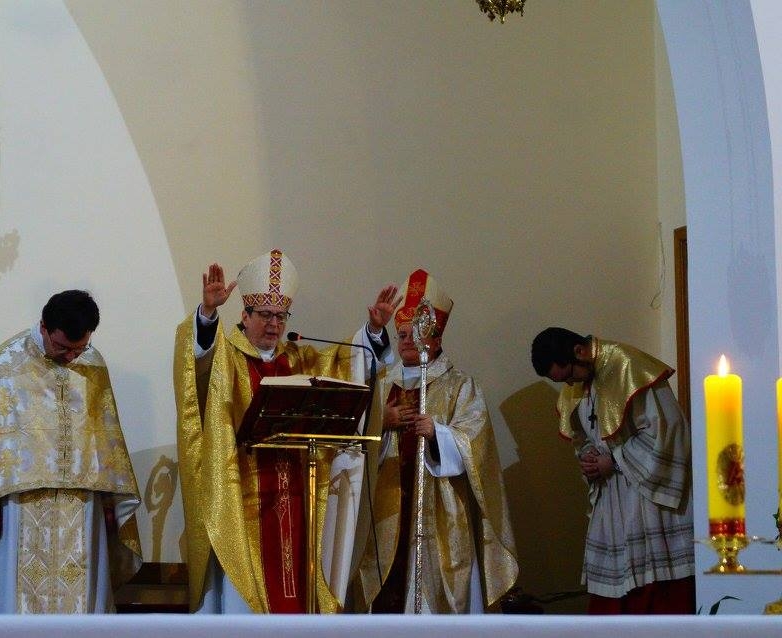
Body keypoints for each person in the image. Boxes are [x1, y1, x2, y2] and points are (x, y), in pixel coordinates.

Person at [174, 248, 400, 613]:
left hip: (297, 497)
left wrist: (373, 331)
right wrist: (208, 314)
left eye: (280, 316)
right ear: (245, 315)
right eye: (265, 315)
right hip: (241, 499)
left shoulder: (298, 359)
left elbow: (345, 362)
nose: (274, 324)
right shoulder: (225, 356)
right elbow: (195, 368)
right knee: (245, 603)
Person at [0, 290, 143, 613]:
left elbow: (104, 435)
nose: (71, 357)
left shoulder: (92, 363)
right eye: (62, 347)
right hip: (18, 505)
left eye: (79, 348)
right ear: (44, 326)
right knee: (12, 597)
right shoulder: (6, 363)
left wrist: (108, 500)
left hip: (82, 505)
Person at [350, 269, 518, 613]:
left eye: (415, 334)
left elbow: (477, 447)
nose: (406, 341)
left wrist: (439, 434)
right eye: (401, 335)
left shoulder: (461, 386)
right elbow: (356, 443)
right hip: (387, 512)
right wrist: (383, 422)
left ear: (436, 338)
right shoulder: (382, 384)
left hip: (440, 513)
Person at [531, 327, 695, 614]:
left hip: (648, 495)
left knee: (656, 593)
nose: (569, 385)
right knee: (612, 594)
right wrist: (588, 458)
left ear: (579, 352)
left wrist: (615, 461)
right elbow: (585, 434)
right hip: (612, 496)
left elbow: (669, 432)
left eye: (568, 376)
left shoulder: (629, 367)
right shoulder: (580, 381)